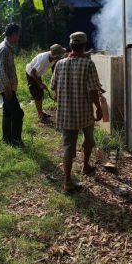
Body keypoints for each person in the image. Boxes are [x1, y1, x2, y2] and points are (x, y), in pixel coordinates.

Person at [51, 32, 103, 193]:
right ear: (84, 46)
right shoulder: (88, 64)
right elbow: (94, 90)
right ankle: (86, 166)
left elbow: (54, 88)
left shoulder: (60, 64)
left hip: (66, 113)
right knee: (88, 139)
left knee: (68, 147)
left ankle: (67, 183)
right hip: (85, 112)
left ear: (71, 45)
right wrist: (99, 108)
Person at [0, 23, 24, 147]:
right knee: (18, 113)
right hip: (7, 88)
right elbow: (0, 70)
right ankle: (16, 141)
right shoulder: (4, 48)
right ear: (13, 34)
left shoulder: (8, 47)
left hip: (9, 87)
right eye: (17, 35)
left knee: (7, 112)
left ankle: (6, 139)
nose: (18, 38)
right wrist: (8, 89)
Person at [26, 44, 67, 122]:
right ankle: (40, 116)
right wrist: (40, 84)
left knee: (40, 93)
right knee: (37, 94)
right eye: (61, 54)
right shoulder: (43, 60)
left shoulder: (54, 58)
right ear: (56, 55)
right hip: (31, 74)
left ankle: (41, 112)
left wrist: (56, 92)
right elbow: (32, 72)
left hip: (37, 74)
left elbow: (54, 73)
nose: (62, 56)